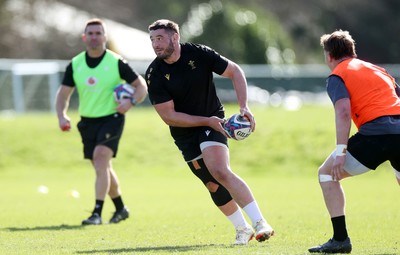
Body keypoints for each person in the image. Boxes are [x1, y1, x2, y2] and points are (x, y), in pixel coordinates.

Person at [145, 19, 274, 245]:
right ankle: (242, 228)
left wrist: (244, 106)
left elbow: (235, 72)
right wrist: (207, 121)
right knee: (212, 183)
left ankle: (260, 222)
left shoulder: (199, 53)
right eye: (152, 40)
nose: (155, 45)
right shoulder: (154, 73)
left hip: (213, 120)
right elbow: (169, 116)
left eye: (160, 38)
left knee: (219, 170)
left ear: (175, 37)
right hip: (185, 131)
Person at [309, 30, 400, 253]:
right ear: (352, 51)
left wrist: (341, 151)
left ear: (329, 55)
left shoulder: (338, 75)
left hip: (375, 135)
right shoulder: (379, 70)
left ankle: (340, 239)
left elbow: (342, 111)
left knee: (326, 174)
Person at [55, 18, 147, 225]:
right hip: (87, 121)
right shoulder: (75, 64)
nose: (94, 37)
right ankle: (121, 208)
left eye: (98, 33)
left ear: (105, 37)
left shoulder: (116, 62)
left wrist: (130, 102)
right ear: (84, 37)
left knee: (100, 158)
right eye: (91, 33)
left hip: (112, 118)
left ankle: (96, 213)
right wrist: (62, 115)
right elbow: (63, 94)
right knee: (102, 166)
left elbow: (141, 86)